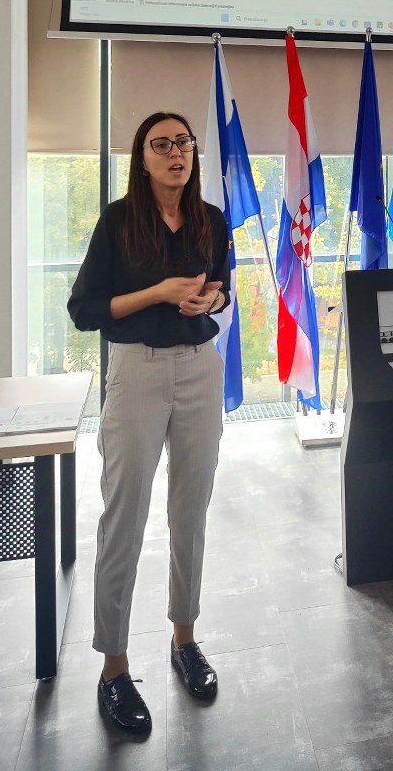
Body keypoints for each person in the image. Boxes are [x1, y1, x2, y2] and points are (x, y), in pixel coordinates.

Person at [68, 111, 230, 737]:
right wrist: (158, 293)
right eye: (161, 145)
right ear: (142, 158)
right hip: (135, 370)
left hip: (199, 368)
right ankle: (114, 668)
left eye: (183, 143)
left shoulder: (210, 220)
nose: (175, 153)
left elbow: (222, 288)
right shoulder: (118, 221)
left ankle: (184, 639)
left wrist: (210, 299)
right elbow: (85, 309)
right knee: (125, 516)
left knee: (191, 512)